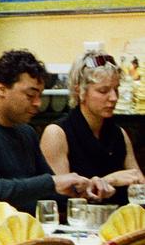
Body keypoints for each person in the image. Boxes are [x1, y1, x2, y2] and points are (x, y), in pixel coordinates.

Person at [0, 49, 108, 212]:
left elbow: (49, 191)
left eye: (40, 96)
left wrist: (82, 189)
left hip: (30, 224)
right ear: (1, 89)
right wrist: (52, 182)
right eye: (30, 95)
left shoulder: (26, 132)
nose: (38, 103)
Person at [40, 52, 141, 205]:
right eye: (103, 91)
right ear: (79, 91)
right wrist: (107, 181)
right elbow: (58, 198)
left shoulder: (119, 134)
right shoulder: (57, 133)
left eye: (116, 89)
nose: (113, 98)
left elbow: (139, 186)